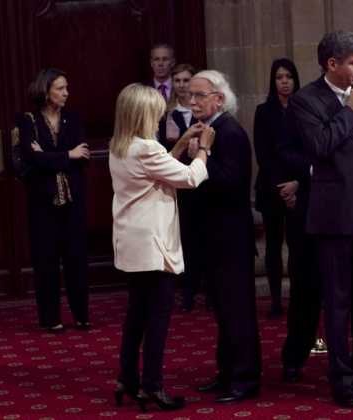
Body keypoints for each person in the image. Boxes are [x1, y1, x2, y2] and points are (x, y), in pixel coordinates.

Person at [287, 29, 353, 408]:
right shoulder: (306, 100)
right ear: (332, 64)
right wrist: (349, 110)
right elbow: (319, 147)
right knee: (337, 303)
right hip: (333, 217)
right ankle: (342, 378)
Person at [109, 83, 214, 413]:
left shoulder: (120, 145)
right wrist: (203, 150)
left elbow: (156, 172)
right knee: (157, 316)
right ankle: (152, 384)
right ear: (143, 113)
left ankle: (126, 378)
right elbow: (189, 178)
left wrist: (182, 143)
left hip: (133, 241)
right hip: (154, 243)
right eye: (155, 111)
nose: (159, 117)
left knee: (136, 314)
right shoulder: (145, 148)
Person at [189, 70, 262, 404]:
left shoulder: (230, 132)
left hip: (230, 239)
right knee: (222, 312)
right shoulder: (206, 131)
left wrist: (198, 160)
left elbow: (232, 186)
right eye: (189, 95)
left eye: (198, 95)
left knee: (238, 313)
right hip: (211, 238)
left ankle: (246, 379)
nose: (192, 101)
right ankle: (227, 372)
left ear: (218, 98)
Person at [16, 68, 91, 334]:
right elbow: (31, 158)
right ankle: (51, 318)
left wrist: (52, 155)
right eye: (60, 88)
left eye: (66, 88)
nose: (66, 93)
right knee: (46, 259)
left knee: (76, 258)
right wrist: (66, 155)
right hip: (43, 200)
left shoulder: (74, 119)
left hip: (73, 198)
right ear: (46, 91)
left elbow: (82, 157)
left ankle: (82, 315)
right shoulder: (28, 121)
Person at [155, 63, 210, 313]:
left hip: (204, 180)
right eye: (177, 81)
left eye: (187, 80)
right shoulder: (169, 114)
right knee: (186, 240)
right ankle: (188, 293)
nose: (182, 85)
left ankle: (210, 293)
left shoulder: (205, 113)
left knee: (206, 239)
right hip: (180, 180)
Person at [253, 58, 301, 319]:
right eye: (279, 77)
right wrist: (283, 189)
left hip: (298, 185)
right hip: (272, 188)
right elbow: (263, 153)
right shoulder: (263, 111)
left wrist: (296, 184)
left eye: (289, 77)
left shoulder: (304, 108)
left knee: (297, 245)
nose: (284, 82)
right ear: (273, 82)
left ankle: (296, 297)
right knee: (273, 245)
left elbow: (307, 149)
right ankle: (274, 300)